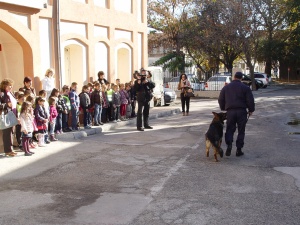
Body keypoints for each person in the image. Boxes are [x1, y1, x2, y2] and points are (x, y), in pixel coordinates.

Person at [218, 71, 255, 157]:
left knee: (230, 129)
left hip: (230, 111)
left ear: (234, 77)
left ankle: (229, 144)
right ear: (241, 78)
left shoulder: (226, 88)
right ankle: (239, 149)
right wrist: (251, 110)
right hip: (242, 111)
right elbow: (250, 100)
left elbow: (220, 99)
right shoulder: (245, 88)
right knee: (241, 131)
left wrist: (223, 107)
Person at [0, 79, 18, 156]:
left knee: (11, 132)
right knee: (7, 133)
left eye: (11, 85)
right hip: (6, 115)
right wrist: (7, 105)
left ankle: (10, 149)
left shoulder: (10, 93)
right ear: (4, 85)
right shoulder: (2, 94)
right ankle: (7, 151)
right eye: (9, 85)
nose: (11, 87)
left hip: (12, 114)